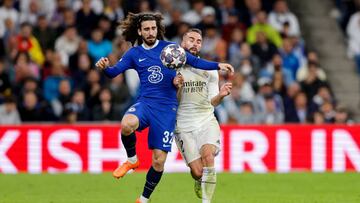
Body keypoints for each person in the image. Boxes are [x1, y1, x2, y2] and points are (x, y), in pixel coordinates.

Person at [95, 12, 234, 203]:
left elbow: (195, 61)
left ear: (157, 29)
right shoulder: (134, 53)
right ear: (140, 31)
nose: (151, 32)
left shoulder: (171, 49)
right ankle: (132, 160)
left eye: (153, 28)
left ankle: (143, 199)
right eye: (147, 29)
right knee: (127, 124)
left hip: (167, 110)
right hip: (146, 103)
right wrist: (104, 67)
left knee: (159, 161)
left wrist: (218, 65)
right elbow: (113, 73)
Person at [174, 28, 232, 203]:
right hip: (182, 125)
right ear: (182, 42)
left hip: (206, 120)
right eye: (191, 39)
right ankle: (200, 181)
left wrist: (220, 95)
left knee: (208, 156)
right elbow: (171, 103)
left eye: (198, 41)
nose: (194, 43)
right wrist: (177, 87)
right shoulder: (172, 68)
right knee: (198, 172)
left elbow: (212, 102)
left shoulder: (209, 70)